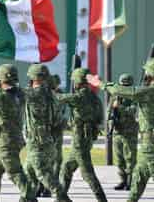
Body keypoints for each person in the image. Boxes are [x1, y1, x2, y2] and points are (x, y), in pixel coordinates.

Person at [87, 58, 154, 202]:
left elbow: (119, 90)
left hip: (152, 142)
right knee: (139, 178)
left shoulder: (149, 91)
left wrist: (99, 83)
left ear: (151, 73)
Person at [0, 64, 36, 202]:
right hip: (15, 138)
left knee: (15, 173)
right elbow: (9, 89)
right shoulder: (20, 94)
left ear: (1, 79)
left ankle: (30, 198)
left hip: (5, 140)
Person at [57, 68, 107, 202]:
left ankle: (102, 199)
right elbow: (100, 117)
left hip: (80, 139)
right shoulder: (94, 97)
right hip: (88, 137)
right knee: (67, 168)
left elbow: (59, 98)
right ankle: (61, 198)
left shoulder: (79, 97)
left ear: (78, 82)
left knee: (87, 174)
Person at [23, 64, 72, 202]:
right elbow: (60, 122)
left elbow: (13, 92)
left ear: (33, 78)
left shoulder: (33, 93)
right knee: (28, 173)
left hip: (37, 143)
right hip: (49, 141)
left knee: (43, 175)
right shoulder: (53, 95)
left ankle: (63, 199)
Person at [35, 74, 66, 198]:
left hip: (47, 131)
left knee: (45, 161)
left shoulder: (47, 96)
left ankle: (42, 186)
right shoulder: (56, 96)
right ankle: (45, 186)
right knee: (53, 160)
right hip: (53, 131)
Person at [108, 73, 138, 191]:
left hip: (129, 132)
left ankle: (131, 182)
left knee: (130, 158)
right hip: (117, 131)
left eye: (126, 86)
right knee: (119, 159)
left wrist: (119, 108)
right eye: (122, 85)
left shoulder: (134, 97)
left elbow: (133, 111)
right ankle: (123, 180)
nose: (124, 88)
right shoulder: (115, 97)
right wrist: (110, 122)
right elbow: (109, 111)